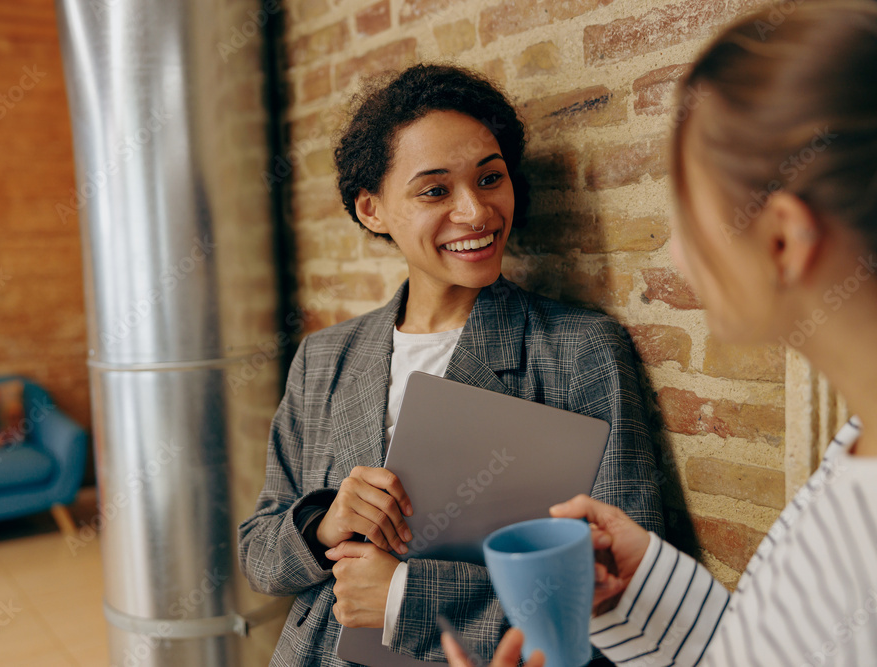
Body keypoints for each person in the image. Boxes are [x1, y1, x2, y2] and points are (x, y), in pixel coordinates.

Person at [443, 2, 877, 666]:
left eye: (693, 218)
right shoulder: (857, 441)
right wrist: (643, 587)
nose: (677, 254)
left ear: (784, 237)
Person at [238, 63, 663, 666]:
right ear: (372, 210)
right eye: (435, 190)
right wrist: (322, 525)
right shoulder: (323, 358)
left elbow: (624, 585)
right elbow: (259, 551)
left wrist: (405, 597)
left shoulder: (580, 352)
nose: (476, 211)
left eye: (491, 178)